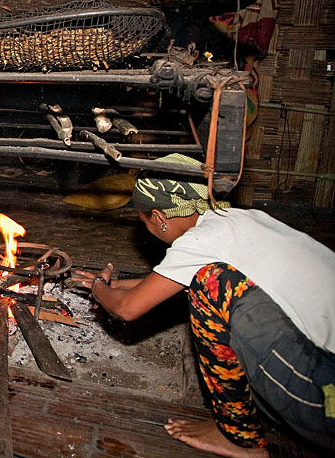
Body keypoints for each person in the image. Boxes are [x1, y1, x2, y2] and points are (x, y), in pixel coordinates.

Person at [73, 154, 335, 457]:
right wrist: (117, 286)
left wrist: (99, 288)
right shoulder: (239, 220)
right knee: (214, 284)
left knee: (211, 285)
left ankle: (239, 437)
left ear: (158, 217)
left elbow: (127, 309)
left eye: (144, 221)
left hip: (323, 398)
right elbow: (176, 278)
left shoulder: (200, 241)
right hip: (324, 369)